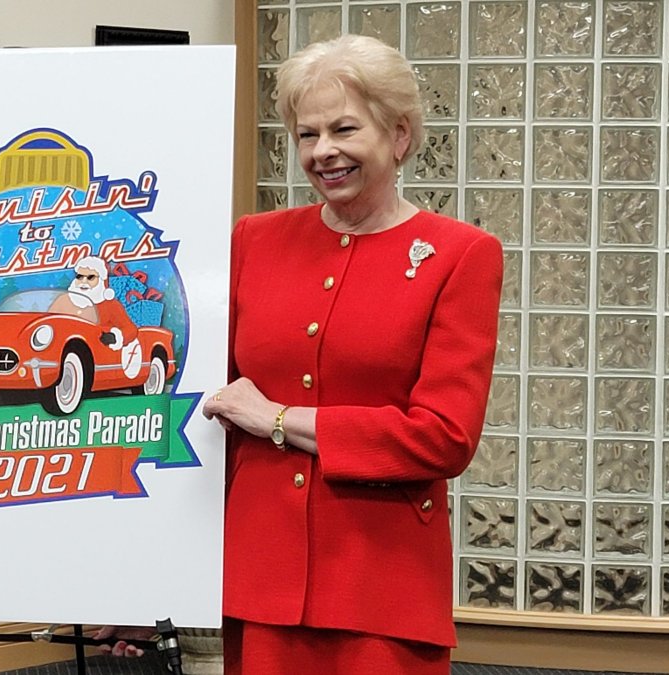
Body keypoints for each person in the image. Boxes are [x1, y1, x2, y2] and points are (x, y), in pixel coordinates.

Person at [197, 34, 503, 674]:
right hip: (258, 582)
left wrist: (278, 419)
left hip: (381, 589)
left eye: (343, 129)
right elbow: (204, 409)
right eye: (307, 135)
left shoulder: (461, 255)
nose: (323, 152)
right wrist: (151, 582)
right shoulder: (253, 240)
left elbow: (443, 438)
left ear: (399, 135)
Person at [49, 256, 143, 377]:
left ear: (101, 280)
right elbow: (49, 323)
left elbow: (131, 329)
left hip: (98, 359)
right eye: (80, 276)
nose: (83, 281)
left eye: (90, 277)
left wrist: (116, 336)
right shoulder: (63, 300)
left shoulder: (110, 305)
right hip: (63, 355)